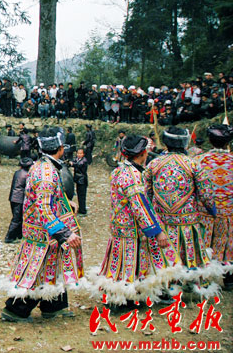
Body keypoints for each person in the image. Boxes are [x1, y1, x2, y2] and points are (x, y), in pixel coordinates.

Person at [0, 126, 84, 322]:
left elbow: (45, 197)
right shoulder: (47, 173)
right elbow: (44, 208)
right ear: (60, 148)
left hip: (42, 231)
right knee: (36, 271)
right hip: (44, 234)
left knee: (51, 268)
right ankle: (15, 310)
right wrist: (65, 233)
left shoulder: (42, 165)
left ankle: (53, 306)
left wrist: (64, 201)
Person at [89, 135, 182, 308]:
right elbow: (140, 206)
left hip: (119, 225)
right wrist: (156, 231)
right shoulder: (133, 176)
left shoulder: (119, 171)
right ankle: (126, 299)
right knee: (131, 262)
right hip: (131, 228)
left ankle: (121, 296)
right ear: (143, 153)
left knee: (121, 263)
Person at [145, 127, 220, 298]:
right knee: (190, 253)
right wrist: (212, 209)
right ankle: (193, 284)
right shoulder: (193, 164)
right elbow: (206, 193)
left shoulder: (153, 164)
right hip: (188, 221)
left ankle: (167, 287)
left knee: (166, 255)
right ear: (185, 143)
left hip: (162, 222)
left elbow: (146, 194)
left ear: (166, 143)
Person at [197, 124, 233, 290]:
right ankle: (229, 279)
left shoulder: (199, 161)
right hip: (228, 212)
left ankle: (202, 280)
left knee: (204, 244)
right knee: (227, 245)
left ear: (210, 140)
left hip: (205, 211)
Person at [4, 157, 33, 244]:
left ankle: (18, 234)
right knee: (17, 219)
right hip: (19, 199)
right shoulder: (28, 175)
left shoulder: (17, 172)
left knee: (17, 217)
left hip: (13, 197)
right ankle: (9, 237)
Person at [71, 148, 89, 216]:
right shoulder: (77, 159)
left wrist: (72, 164)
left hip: (82, 180)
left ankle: (83, 211)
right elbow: (74, 162)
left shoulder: (84, 160)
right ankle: (81, 208)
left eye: (81, 153)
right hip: (78, 179)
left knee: (82, 195)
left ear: (83, 154)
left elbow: (78, 165)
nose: (79, 154)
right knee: (79, 195)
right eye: (78, 153)